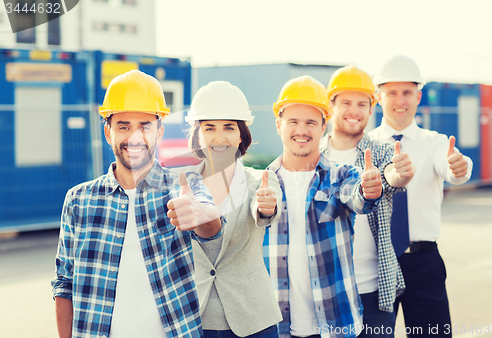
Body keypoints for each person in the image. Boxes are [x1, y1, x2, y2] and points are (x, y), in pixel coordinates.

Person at [51, 70, 223, 338]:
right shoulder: (78, 200)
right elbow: (64, 283)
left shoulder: (184, 185)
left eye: (145, 125)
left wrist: (199, 214)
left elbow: (213, 226)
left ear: (160, 132)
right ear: (108, 133)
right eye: (123, 126)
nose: (134, 137)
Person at [263, 75, 384, 338]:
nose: (302, 130)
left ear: (323, 125)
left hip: (336, 324)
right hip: (279, 328)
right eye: (293, 121)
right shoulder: (262, 182)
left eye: (310, 122)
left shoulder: (341, 175)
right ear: (278, 125)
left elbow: (357, 197)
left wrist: (367, 190)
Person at [368, 55, 473, 337]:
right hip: (375, 262)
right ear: (379, 97)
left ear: (418, 96)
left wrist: (460, 167)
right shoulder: (365, 146)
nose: (399, 100)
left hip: (423, 264)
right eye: (391, 92)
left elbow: (454, 168)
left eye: (407, 92)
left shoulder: (435, 143)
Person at [176, 81, 283, 338]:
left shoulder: (261, 180)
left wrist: (266, 207)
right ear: (197, 135)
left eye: (229, 128)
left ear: (241, 135)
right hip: (194, 317)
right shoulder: (179, 184)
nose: (220, 137)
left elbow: (265, 210)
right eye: (209, 127)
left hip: (254, 319)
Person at [319, 65, 415, 338]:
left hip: (374, 290)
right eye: (346, 102)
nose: (355, 110)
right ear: (330, 105)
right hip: (326, 291)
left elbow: (391, 176)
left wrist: (399, 173)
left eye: (362, 104)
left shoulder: (383, 151)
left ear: (371, 109)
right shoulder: (314, 156)